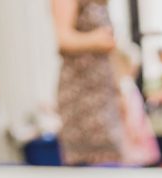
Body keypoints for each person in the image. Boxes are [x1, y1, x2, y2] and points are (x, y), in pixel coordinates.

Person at [51, 0, 123, 165]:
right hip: (82, 94)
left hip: (103, 93)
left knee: (109, 158)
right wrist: (95, 39)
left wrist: (119, 90)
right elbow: (63, 38)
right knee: (88, 161)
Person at [115, 46, 160, 167]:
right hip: (131, 129)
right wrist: (133, 129)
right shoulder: (126, 84)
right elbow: (126, 109)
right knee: (132, 158)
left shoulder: (126, 83)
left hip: (135, 127)